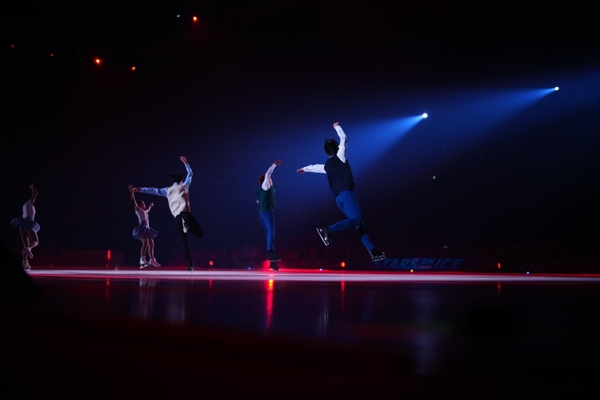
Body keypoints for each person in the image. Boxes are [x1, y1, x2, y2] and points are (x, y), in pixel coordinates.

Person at [297, 122, 385, 262]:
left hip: (339, 199)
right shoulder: (341, 156)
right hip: (347, 194)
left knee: (357, 223)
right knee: (356, 220)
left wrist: (305, 168)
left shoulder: (327, 166)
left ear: (326, 152)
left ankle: (373, 250)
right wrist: (337, 127)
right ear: (337, 148)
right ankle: (329, 229)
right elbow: (344, 139)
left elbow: (316, 167)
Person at [131, 156, 203, 272]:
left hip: (177, 217)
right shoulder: (184, 186)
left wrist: (140, 189)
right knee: (199, 234)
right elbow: (190, 174)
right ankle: (188, 227)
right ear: (181, 180)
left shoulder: (167, 190)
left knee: (184, 242)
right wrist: (186, 163)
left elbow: (153, 190)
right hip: (186, 214)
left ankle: (190, 265)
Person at [257, 160, 282, 268]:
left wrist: (259, 201)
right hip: (267, 212)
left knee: (270, 233)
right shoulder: (266, 185)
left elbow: (259, 199)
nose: (271, 181)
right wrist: (274, 165)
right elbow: (268, 174)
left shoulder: (264, 189)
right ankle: (270, 252)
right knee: (271, 232)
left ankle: (272, 262)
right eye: (270, 180)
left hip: (263, 213)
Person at [128, 184, 160, 269]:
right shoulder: (138, 210)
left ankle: (152, 260)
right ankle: (142, 259)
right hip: (142, 228)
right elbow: (134, 201)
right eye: (143, 203)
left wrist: (150, 206)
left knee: (151, 244)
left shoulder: (144, 211)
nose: (144, 204)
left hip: (147, 228)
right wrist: (131, 192)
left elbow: (147, 210)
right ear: (139, 205)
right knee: (145, 243)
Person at [10, 184, 40, 271]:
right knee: (35, 241)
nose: (34, 199)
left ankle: (25, 263)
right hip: (28, 223)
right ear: (30, 198)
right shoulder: (29, 203)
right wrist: (32, 188)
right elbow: (36, 193)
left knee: (25, 245)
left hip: (22, 224)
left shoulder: (24, 205)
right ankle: (29, 248)